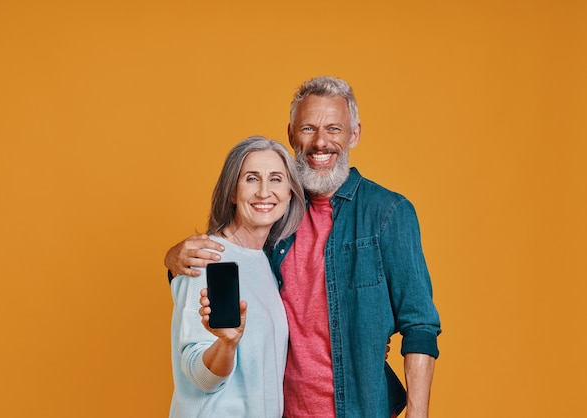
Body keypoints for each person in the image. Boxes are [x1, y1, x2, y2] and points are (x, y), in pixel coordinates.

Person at [166, 76, 442, 418]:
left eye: (334, 129)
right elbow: (229, 258)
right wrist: (175, 257)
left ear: (354, 134)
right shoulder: (277, 217)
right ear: (292, 134)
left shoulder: (388, 213)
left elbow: (420, 326)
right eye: (309, 128)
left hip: (358, 409)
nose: (320, 142)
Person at [169, 136, 305, 417]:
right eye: (252, 179)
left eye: (276, 179)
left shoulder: (267, 263)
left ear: (290, 192)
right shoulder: (206, 258)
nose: (264, 192)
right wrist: (226, 344)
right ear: (232, 191)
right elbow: (199, 375)